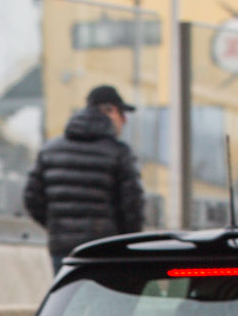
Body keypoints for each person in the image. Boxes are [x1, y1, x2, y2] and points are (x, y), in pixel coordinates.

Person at [24, 85, 147, 264]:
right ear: (109, 111)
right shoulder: (118, 152)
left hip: (63, 248)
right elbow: (132, 204)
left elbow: (32, 198)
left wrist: (59, 227)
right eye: (122, 114)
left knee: (69, 283)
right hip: (106, 248)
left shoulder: (50, 150)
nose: (125, 121)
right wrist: (125, 240)